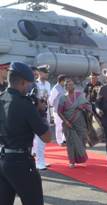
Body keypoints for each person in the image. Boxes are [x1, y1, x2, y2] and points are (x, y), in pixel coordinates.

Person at [0, 62, 51, 205]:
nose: (30, 86)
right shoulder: (25, 104)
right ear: (22, 82)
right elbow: (47, 137)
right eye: (29, 83)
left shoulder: (1, 98)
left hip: (2, 160)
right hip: (21, 162)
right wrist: (40, 112)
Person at [58, 78, 92, 168]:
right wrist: (66, 121)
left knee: (81, 140)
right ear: (65, 87)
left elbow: (88, 105)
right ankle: (72, 161)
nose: (70, 86)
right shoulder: (63, 98)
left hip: (80, 123)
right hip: (68, 124)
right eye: (68, 85)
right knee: (71, 142)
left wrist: (83, 107)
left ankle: (79, 159)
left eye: (72, 84)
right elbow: (59, 112)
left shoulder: (79, 95)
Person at [33, 65, 51, 170]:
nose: (47, 74)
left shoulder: (48, 84)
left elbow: (47, 99)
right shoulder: (35, 84)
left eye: (47, 72)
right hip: (37, 113)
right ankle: (39, 162)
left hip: (45, 113)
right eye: (45, 72)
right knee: (39, 138)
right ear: (39, 73)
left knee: (42, 139)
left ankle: (41, 159)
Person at [49, 74, 66, 146]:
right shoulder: (55, 88)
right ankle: (60, 141)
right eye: (64, 81)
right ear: (61, 81)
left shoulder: (63, 88)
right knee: (59, 127)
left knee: (65, 126)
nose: (65, 82)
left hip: (64, 110)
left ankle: (64, 140)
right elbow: (50, 100)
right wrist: (54, 106)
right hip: (57, 111)